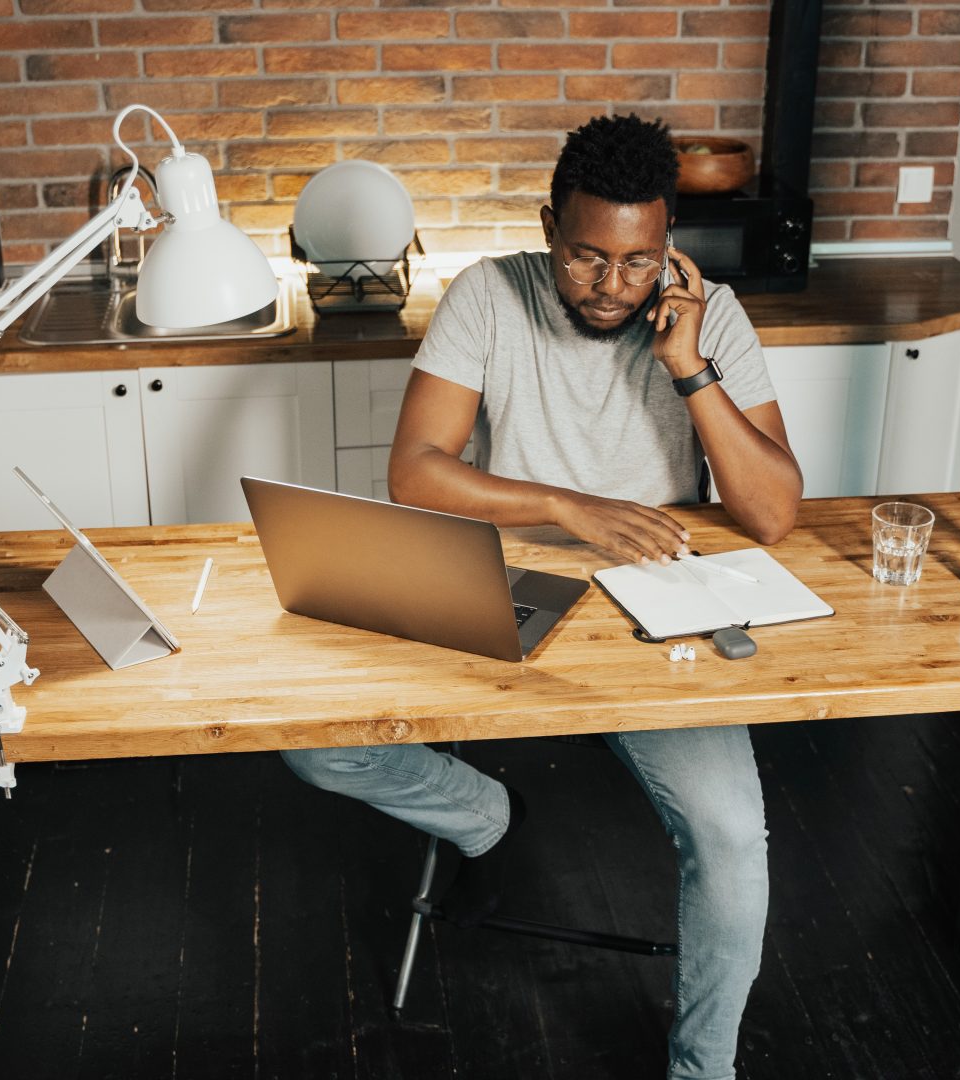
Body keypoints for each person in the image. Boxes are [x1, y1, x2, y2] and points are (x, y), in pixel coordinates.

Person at [280, 114, 803, 1080]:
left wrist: (688, 364)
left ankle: (704, 1070)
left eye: (638, 263)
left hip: (659, 605)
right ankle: (483, 815)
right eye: (585, 258)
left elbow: (771, 513)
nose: (610, 288)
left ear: (669, 246)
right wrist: (571, 504)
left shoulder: (709, 313)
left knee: (732, 838)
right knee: (314, 742)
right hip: (500, 579)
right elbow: (417, 474)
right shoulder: (488, 294)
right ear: (547, 227)